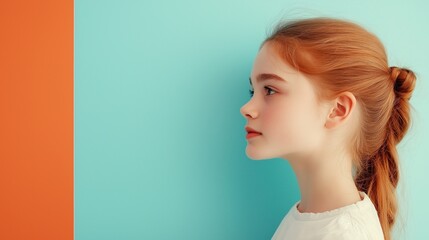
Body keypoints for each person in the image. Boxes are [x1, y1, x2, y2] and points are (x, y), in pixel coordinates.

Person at [240, 17, 417, 240]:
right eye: (252, 91)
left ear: (337, 110)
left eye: (270, 90)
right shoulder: (305, 217)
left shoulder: (345, 234)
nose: (246, 108)